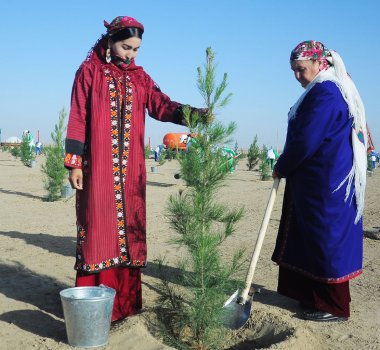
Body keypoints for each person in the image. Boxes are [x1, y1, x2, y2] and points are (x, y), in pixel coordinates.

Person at [64, 16, 207, 322]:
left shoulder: (140, 78)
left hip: (131, 173)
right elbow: (78, 117)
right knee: (98, 231)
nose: (131, 54)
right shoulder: (89, 71)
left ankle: (125, 306)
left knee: (130, 230)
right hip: (98, 169)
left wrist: (195, 115)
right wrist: (74, 163)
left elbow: (161, 105)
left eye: (136, 49)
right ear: (111, 41)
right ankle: (95, 306)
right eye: (126, 47)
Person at [271, 40, 367, 322]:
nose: (297, 76)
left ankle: (333, 306)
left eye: (301, 69)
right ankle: (311, 297)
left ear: (319, 63)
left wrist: (283, 165)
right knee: (308, 239)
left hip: (327, 186)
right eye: (293, 71)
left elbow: (306, 140)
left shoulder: (326, 93)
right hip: (315, 182)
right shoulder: (322, 90)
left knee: (326, 241)